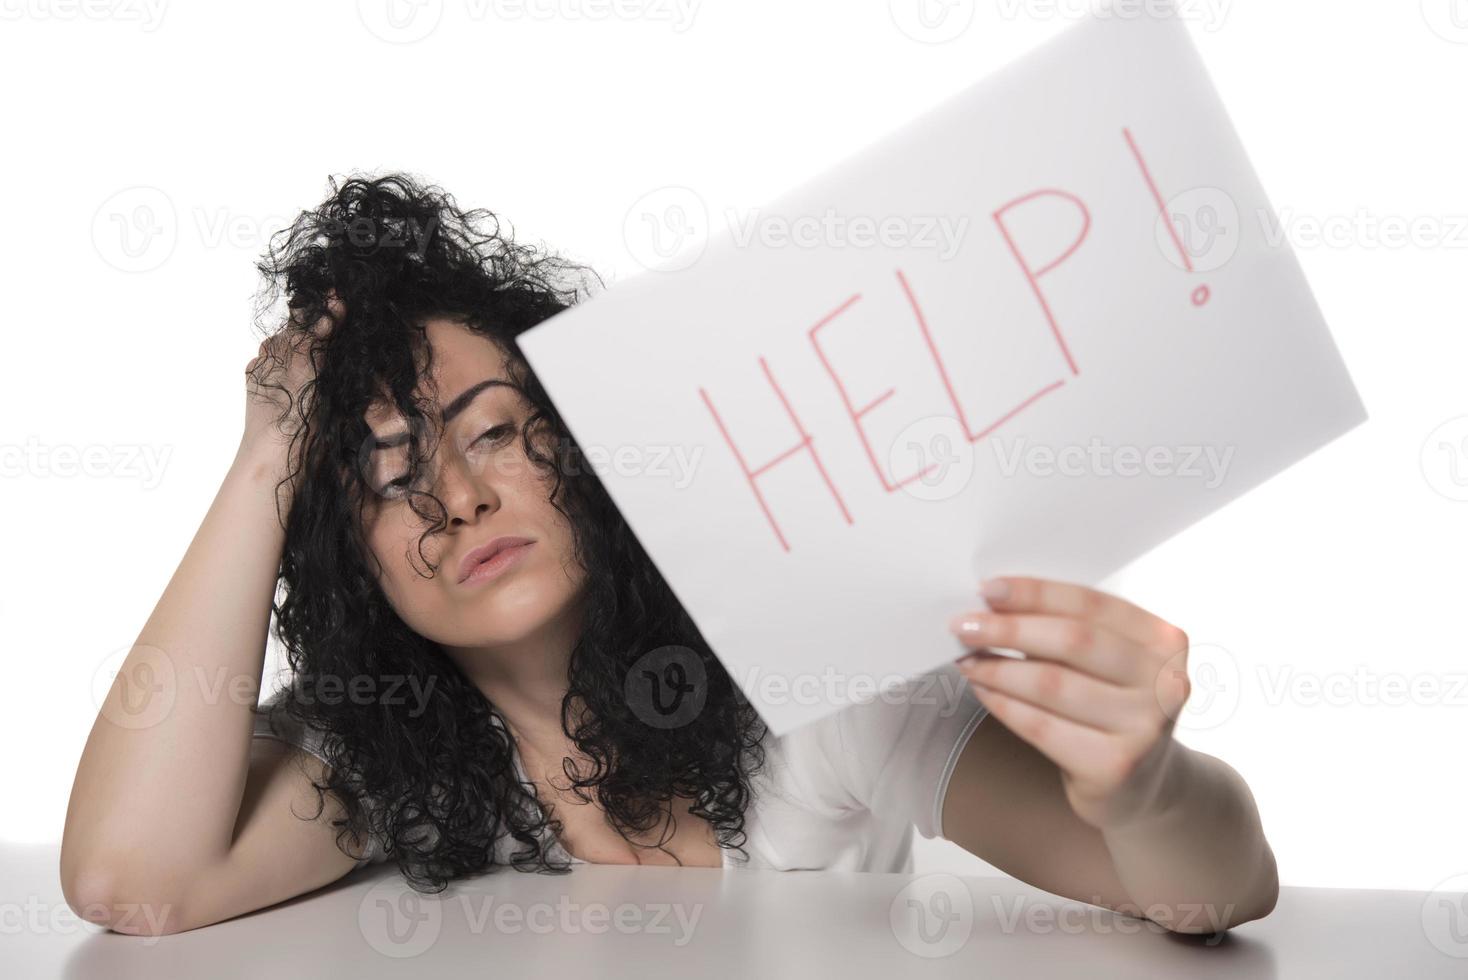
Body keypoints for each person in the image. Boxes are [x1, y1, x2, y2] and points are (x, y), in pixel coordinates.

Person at [60, 174, 1279, 937]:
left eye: (494, 428)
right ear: (348, 564)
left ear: (591, 442)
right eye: (389, 473)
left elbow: (1212, 890)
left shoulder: (813, 686)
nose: (464, 495)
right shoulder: (396, 758)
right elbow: (131, 882)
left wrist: (1144, 785)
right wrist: (267, 449)